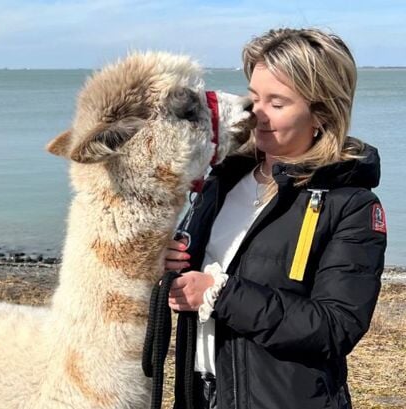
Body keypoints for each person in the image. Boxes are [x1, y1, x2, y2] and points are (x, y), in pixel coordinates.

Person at [165, 28, 387, 409]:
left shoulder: (352, 206)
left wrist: (219, 293)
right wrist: (170, 264)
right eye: (254, 97)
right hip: (201, 392)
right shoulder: (222, 181)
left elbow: (335, 327)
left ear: (321, 113)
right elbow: (198, 275)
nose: (257, 113)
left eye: (278, 103)